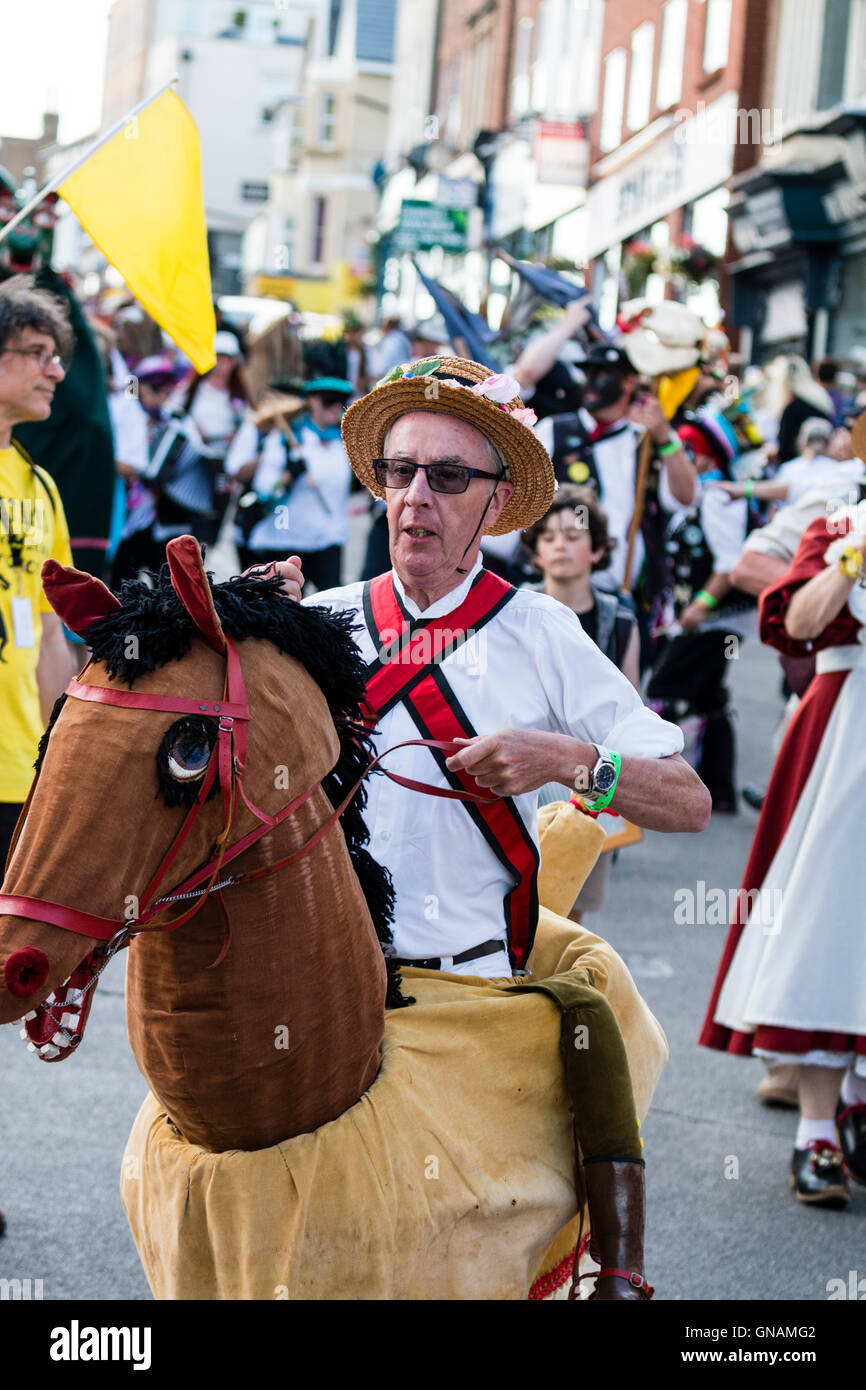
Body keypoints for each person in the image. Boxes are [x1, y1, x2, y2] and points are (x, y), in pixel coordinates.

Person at [256, 355, 710, 1301]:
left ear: (496, 501)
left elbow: (687, 800)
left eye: (449, 477)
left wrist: (561, 759)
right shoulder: (323, 622)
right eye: (400, 471)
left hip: (472, 993)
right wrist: (247, 629)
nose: (417, 498)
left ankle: (618, 1270)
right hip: (325, 989)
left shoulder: (542, 632)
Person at [700, 486, 866, 1208]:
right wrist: (853, 557)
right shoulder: (839, 519)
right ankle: (817, 1130)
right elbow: (797, 624)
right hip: (846, 738)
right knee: (824, 923)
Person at [520, 483, 640, 913]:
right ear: (534, 553)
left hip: (585, 786)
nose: (560, 547)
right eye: (548, 538)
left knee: (569, 913)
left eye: (573, 537)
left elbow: (630, 713)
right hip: (523, 775)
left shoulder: (619, 621)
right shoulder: (515, 610)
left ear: (597, 551)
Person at [0, 275, 77, 866]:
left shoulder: (39, 487)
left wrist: (61, 753)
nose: (55, 372)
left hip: (17, 773)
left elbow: (51, 633)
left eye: (56, 357)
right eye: (36, 354)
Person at [533, 343, 697, 620]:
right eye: (588, 374)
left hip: (627, 600)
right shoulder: (553, 431)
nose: (591, 384)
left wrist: (665, 437)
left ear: (629, 382)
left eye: (603, 374)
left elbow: (687, 499)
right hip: (556, 598)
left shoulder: (646, 441)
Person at [646, 413, 754, 813]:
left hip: (717, 622)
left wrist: (700, 606)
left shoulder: (720, 497)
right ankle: (718, 790)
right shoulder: (697, 495)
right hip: (701, 617)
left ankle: (668, 791)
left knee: (665, 691)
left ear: (706, 457)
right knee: (711, 697)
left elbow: (730, 563)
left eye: (689, 452)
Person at [226, 377, 354, 589]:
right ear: (312, 402)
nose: (335, 408)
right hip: (287, 544)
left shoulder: (344, 441)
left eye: (341, 402)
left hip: (329, 540)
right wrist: (287, 477)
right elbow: (265, 491)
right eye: (329, 401)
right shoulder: (286, 439)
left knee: (332, 613)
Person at [173, 329, 251, 546]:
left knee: (211, 521)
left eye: (227, 359)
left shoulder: (239, 394)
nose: (222, 365)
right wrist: (194, 429)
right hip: (192, 461)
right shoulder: (195, 387)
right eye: (219, 358)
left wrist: (236, 439)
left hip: (220, 465)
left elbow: (248, 425)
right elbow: (175, 412)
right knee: (185, 518)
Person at [714, 417, 862, 511]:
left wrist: (743, 489)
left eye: (848, 431)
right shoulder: (843, 469)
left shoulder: (845, 471)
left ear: (802, 440)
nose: (842, 437)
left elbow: (789, 493)